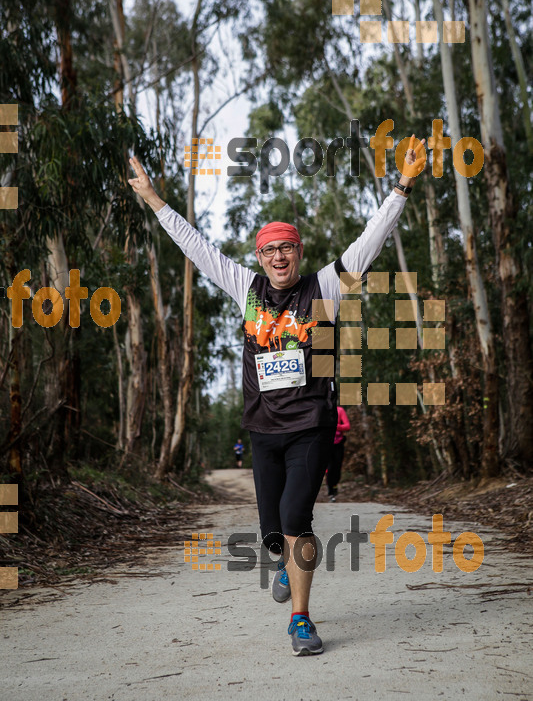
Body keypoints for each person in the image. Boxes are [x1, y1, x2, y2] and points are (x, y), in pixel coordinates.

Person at [128, 135, 425, 656]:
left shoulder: (325, 287)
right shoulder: (245, 288)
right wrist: (154, 200)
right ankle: (284, 560)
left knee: (296, 520)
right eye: (270, 249)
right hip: (261, 430)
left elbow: (370, 241)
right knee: (272, 533)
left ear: (299, 252)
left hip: (310, 426)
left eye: (287, 246)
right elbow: (197, 247)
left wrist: (401, 186)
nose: (279, 256)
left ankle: (302, 620)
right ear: (260, 258)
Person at [326, 406, 350, 502]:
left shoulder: (340, 410)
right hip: (326, 443)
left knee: (337, 467)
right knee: (329, 467)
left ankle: (335, 485)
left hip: (338, 443)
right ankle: (330, 491)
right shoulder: (321, 409)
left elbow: (347, 426)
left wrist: (335, 426)